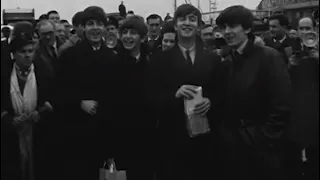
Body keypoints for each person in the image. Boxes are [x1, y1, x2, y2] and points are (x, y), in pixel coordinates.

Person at [215, 5, 291, 180]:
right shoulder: (227, 63)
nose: (227, 32)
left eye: (232, 26)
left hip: (261, 153)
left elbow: (282, 105)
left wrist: (262, 139)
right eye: (223, 27)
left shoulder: (269, 58)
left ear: (247, 28)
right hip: (233, 150)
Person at [148, 4, 222, 180]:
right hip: (172, 138)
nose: (187, 23)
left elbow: (223, 92)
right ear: (175, 25)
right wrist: (175, 94)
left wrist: (211, 101)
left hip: (206, 137)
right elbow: (150, 97)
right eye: (182, 19)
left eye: (192, 19)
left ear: (199, 25)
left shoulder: (213, 59)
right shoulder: (159, 60)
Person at [56, 6, 116, 180]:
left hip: (105, 131)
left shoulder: (112, 57)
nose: (95, 28)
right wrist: (79, 102)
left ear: (105, 28)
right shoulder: (69, 56)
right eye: (90, 24)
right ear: (82, 28)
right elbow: (58, 90)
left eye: (99, 24)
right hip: (76, 132)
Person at [1, 21, 53, 180]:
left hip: (38, 135)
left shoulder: (43, 71)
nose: (28, 55)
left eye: (31, 51)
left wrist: (40, 114)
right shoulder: (4, 74)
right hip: (11, 137)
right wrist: (9, 119)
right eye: (23, 51)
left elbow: (52, 101)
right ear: (14, 54)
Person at [285, 16, 319, 180]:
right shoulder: (290, 50)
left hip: (315, 107)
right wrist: (290, 67)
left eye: (308, 28)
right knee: (295, 148)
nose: (304, 32)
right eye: (301, 28)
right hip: (297, 107)